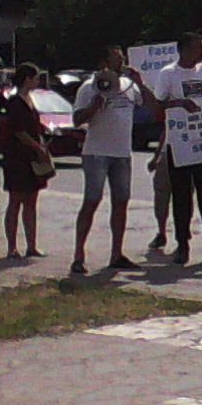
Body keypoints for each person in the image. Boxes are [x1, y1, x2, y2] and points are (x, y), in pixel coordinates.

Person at [152, 32, 202, 266]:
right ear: (185, 49)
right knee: (181, 197)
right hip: (180, 144)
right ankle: (182, 244)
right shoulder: (168, 73)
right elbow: (158, 106)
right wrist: (179, 103)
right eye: (199, 48)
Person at [70, 45, 155, 274]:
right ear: (104, 63)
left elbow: (152, 106)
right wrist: (94, 106)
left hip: (122, 153)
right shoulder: (89, 86)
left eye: (122, 59)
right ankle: (78, 255)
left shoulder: (128, 86)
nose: (121, 63)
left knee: (121, 202)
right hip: (97, 152)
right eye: (116, 59)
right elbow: (77, 119)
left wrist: (139, 82)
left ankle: (116, 253)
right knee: (92, 200)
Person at [0, 62, 50, 259]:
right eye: (35, 77)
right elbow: (19, 132)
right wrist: (37, 148)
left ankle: (32, 245)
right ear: (27, 79)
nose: (37, 82)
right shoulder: (14, 102)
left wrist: (42, 145)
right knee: (16, 200)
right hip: (17, 157)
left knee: (31, 201)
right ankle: (12, 247)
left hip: (32, 158)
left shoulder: (30, 100)